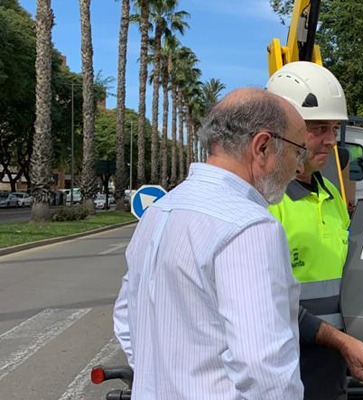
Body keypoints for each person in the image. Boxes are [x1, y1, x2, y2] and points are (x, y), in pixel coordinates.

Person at [113, 89, 308, 399]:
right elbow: (264, 367)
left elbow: (126, 318)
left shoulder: (161, 210)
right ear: (262, 146)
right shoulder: (251, 225)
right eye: (298, 152)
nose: (299, 168)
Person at [266, 61, 363, 399]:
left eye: (335, 128)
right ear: (283, 128)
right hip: (285, 365)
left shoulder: (332, 194)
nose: (331, 140)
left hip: (333, 362)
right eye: (319, 128)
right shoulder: (265, 203)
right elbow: (268, 302)